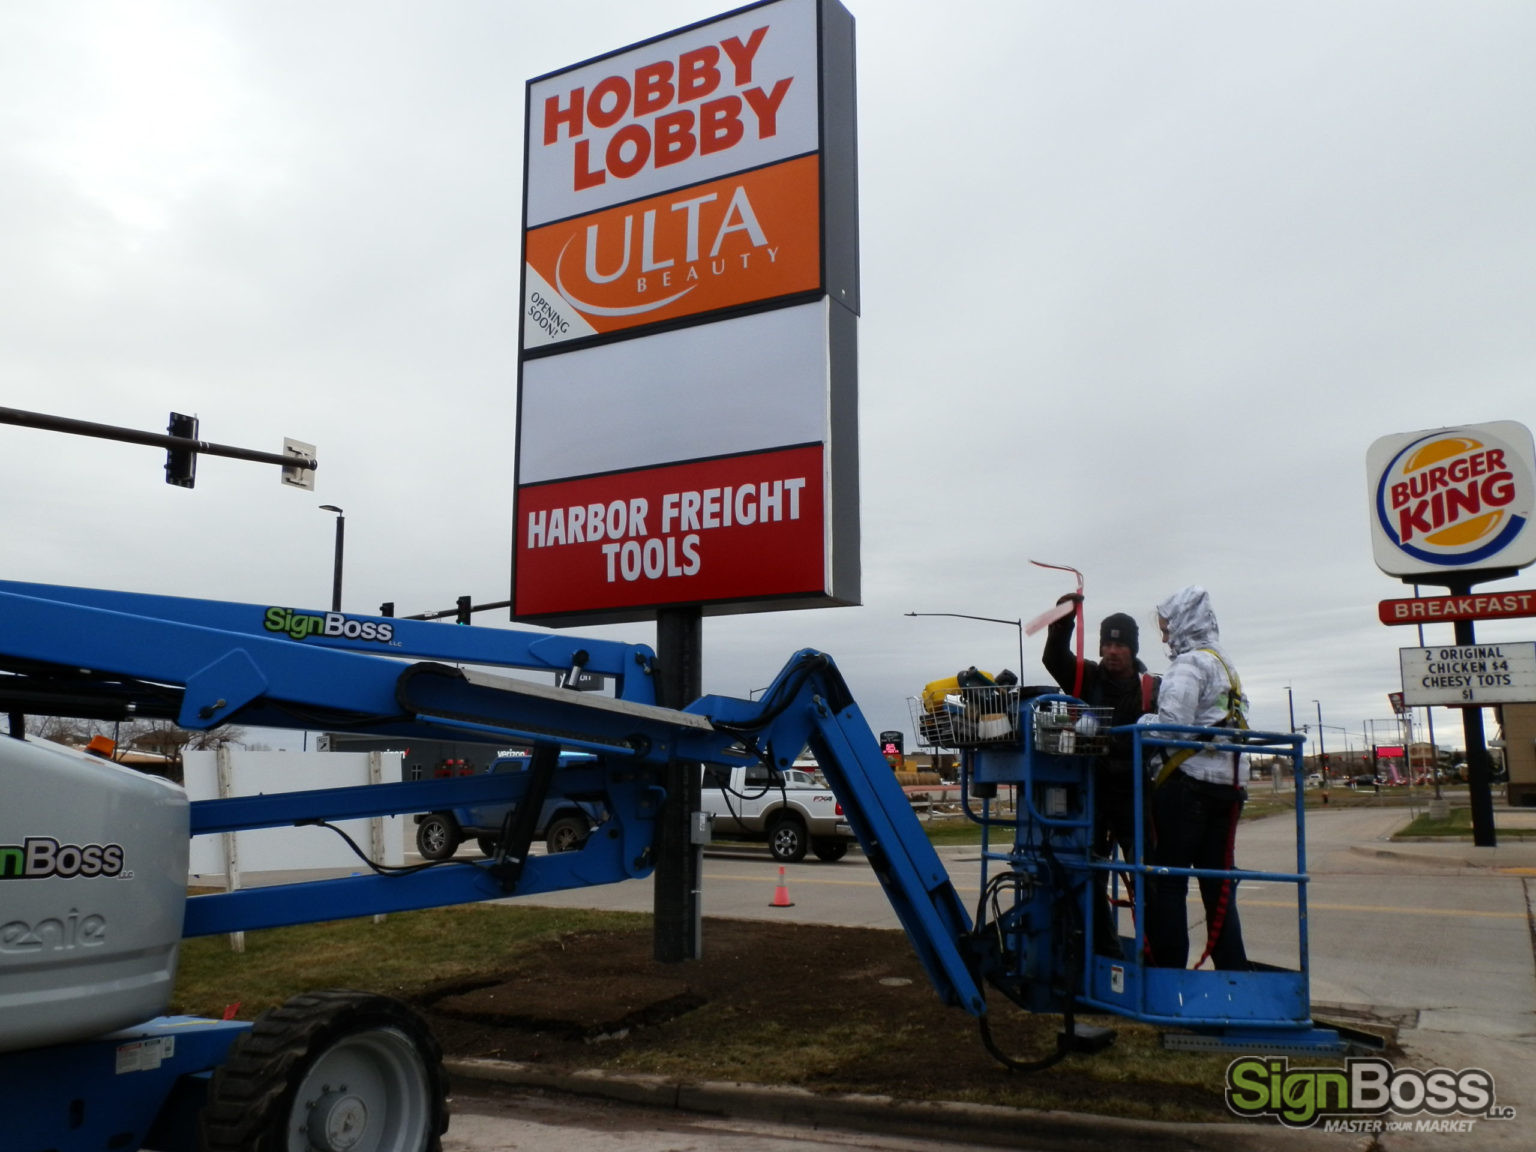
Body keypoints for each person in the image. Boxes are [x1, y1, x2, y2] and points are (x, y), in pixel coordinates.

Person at [1042, 595, 1158, 958]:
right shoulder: (1085, 677)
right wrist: (1064, 619)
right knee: (1086, 876)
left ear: (1132, 648)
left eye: (1120, 643)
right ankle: (1103, 952)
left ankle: (1154, 956)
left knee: (1148, 878)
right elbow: (1053, 658)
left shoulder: (1151, 689)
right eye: (1107, 643)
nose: (1112, 650)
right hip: (1092, 795)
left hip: (1136, 797)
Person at [1140, 585, 1249, 971]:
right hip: (1227, 788)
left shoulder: (1188, 665)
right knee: (1218, 887)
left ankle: (1169, 972)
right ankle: (1233, 970)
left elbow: (1172, 727)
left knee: (1169, 882)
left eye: (1168, 627)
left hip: (1187, 789)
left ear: (1185, 623)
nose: (1166, 636)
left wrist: (1142, 723)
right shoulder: (1224, 663)